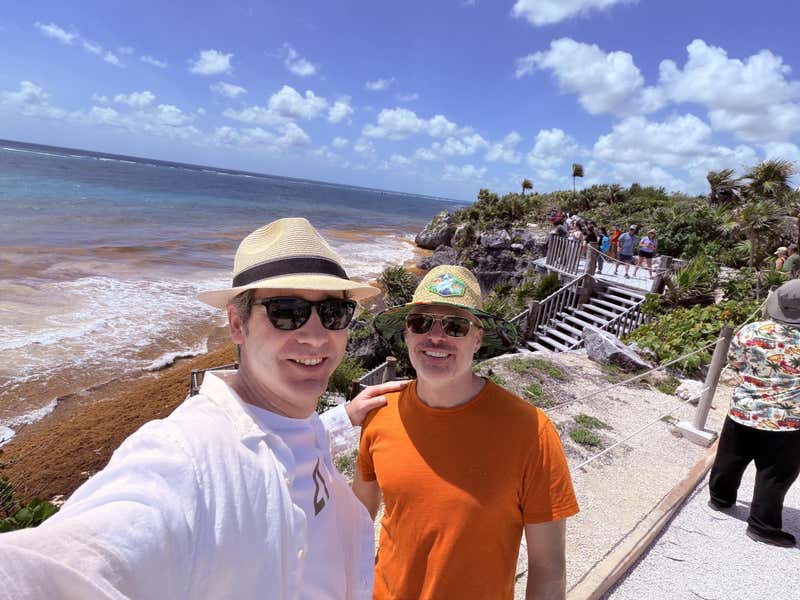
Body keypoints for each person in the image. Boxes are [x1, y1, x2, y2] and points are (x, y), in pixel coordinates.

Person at [0, 217, 405, 599]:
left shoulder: (298, 423)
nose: (316, 336)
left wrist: (343, 418)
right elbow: (68, 565)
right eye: (287, 312)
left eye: (334, 312)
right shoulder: (185, 456)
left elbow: (290, 439)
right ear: (236, 324)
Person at [355, 265, 580, 600]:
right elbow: (355, 526)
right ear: (406, 335)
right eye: (421, 323)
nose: (435, 337)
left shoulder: (532, 431)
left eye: (455, 326)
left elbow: (548, 569)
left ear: (477, 339)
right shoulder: (380, 414)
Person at [708, 279, 800, 547]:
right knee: (775, 473)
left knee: (731, 457)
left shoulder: (751, 331)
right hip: (788, 420)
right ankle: (763, 526)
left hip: (744, 409)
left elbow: (735, 361)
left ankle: (720, 498)